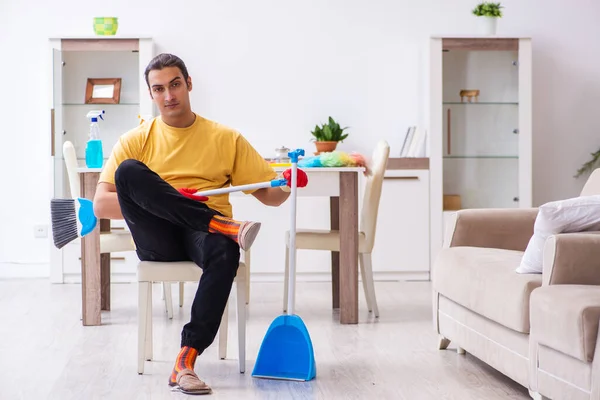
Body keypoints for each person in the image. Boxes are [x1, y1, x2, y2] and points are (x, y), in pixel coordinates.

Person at [93, 53, 307, 395]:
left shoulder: (225, 138)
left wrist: (288, 180)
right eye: (159, 88)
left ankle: (185, 360)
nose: (168, 96)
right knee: (129, 171)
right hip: (157, 237)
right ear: (151, 94)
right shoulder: (136, 139)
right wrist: (166, 198)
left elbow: (270, 196)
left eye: (175, 85)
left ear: (189, 84)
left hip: (204, 236)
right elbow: (101, 203)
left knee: (225, 250)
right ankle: (224, 226)